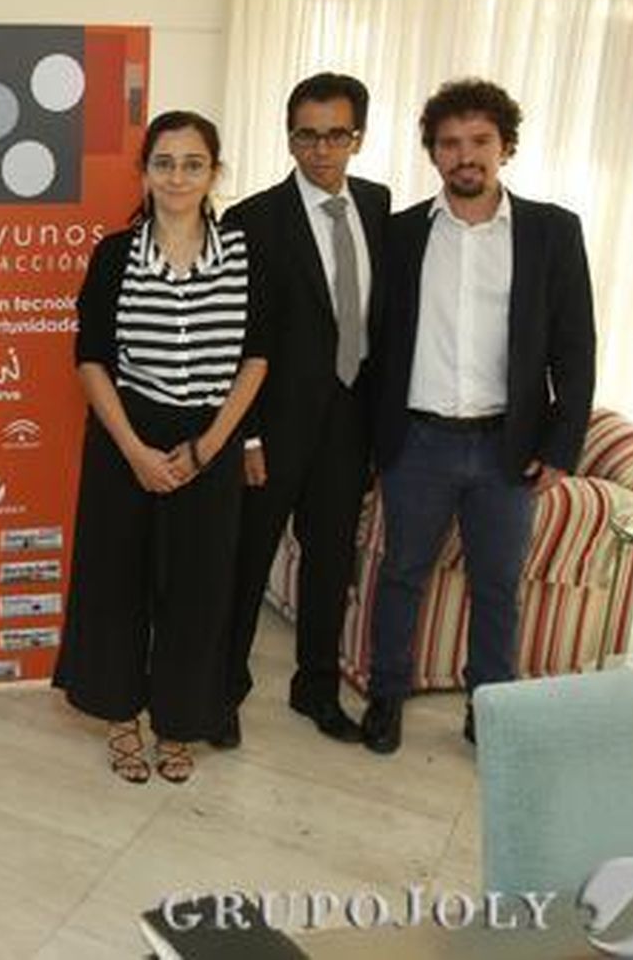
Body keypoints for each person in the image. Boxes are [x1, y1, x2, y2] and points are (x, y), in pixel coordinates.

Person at [362, 78, 595, 754]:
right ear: (433, 152)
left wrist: (562, 447)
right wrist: (372, 443)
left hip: (507, 447)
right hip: (417, 443)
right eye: (449, 143)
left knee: (497, 586)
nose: (465, 155)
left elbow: (575, 347)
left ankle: (488, 709)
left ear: (505, 146)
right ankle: (386, 695)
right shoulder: (401, 234)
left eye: (479, 141)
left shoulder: (553, 231)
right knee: (401, 574)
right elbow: (377, 341)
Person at [53, 110, 269, 784]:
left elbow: (257, 359)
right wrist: (134, 450)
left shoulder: (245, 253)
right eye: (165, 163)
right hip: (127, 435)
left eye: (193, 164)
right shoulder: (115, 255)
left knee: (199, 590)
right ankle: (121, 717)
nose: (178, 177)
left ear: (214, 173)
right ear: (145, 172)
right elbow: (91, 359)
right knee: (116, 583)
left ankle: (179, 722)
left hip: (210, 436)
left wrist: (207, 449)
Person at [218, 74, 391, 748]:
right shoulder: (252, 220)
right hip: (271, 428)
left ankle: (316, 688)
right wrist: (246, 436)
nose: (321, 150)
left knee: (329, 567)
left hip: (349, 424)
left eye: (335, 135)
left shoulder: (378, 205)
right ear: (289, 138)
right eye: (307, 136)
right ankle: (222, 691)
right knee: (245, 564)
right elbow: (234, 340)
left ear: (357, 138)